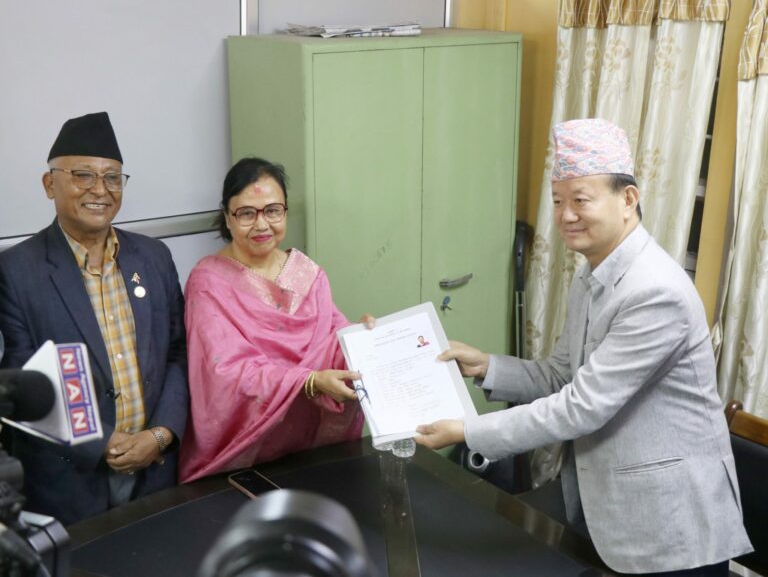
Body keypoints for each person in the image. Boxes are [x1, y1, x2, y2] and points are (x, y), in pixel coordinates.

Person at [414, 118, 752, 576]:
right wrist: (486, 366)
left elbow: (581, 406)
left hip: (670, 529)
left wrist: (467, 431)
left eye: (580, 200)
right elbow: (561, 374)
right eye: (557, 201)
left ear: (627, 199)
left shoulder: (656, 292)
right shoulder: (592, 275)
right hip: (607, 508)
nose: (566, 215)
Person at [0, 112, 188, 525]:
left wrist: (161, 434)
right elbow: (22, 380)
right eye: (83, 175)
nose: (100, 190)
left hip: (156, 471)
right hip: (69, 479)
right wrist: (101, 443)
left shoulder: (154, 257)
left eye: (112, 178)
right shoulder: (17, 271)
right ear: (49, 184)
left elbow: (178, 351)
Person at [179, 158, 364, 482]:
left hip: (310, 445)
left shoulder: (307, 273)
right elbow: (224, 373)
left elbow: (334, 336)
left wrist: (366, 339)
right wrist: (308, 382)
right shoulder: (208, 282)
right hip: (247, 456)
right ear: (227, 217)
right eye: (247, 213)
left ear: (285, 212)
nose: (262, 225)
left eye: (273, 211)